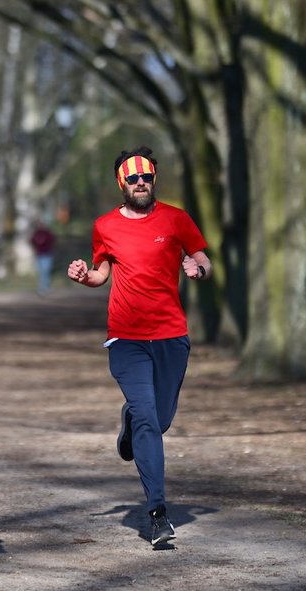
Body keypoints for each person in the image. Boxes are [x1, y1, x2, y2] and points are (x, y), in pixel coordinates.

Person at [66, 146, 211, 547]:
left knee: (158, 421)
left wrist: (197, 268)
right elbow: (101, 275)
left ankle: (130, 421)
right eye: (134, 179)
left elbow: (203, 258)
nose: (141, 183)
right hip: (126, 338)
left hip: (171, 337)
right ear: (122, 183)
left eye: (147, 177)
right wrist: (83, 275)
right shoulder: (105, 227)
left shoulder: (176, 219)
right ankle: (157, 513)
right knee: (150, 420)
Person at [30, 219, 56, 295]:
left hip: (47, 255)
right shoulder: (36, 233)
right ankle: (42, 287)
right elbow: (32, 241)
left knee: (45, 271)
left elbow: (52, 242)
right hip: (39, 255)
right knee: (41, 272)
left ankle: (45, 287)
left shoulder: (47, 233)